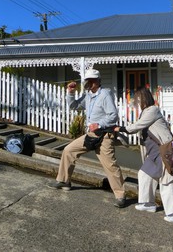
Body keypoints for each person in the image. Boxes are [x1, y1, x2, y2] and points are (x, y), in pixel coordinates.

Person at [47, 69, 126, 208]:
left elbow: (113, 115)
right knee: (68, 150)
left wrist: (99, 124)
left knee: (110, 165)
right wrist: (70, 93)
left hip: (104, 135)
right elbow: (74, 106)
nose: (89, 82)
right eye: (87, 80)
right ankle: (64, 181)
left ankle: (120, 195)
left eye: (92, 80)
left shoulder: (105, 94)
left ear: (98, 81)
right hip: (91, 135)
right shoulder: (88, 95)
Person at [114, 86, 173, 223]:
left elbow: (136, 127)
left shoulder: (153, 110)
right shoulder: (146, 112)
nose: (136, 101)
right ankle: (148, 203)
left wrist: (120, 128)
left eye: (138, 98)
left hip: (166, 152)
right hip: (153, 154)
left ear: (144, 98)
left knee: (168, 182)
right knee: (145, 174)